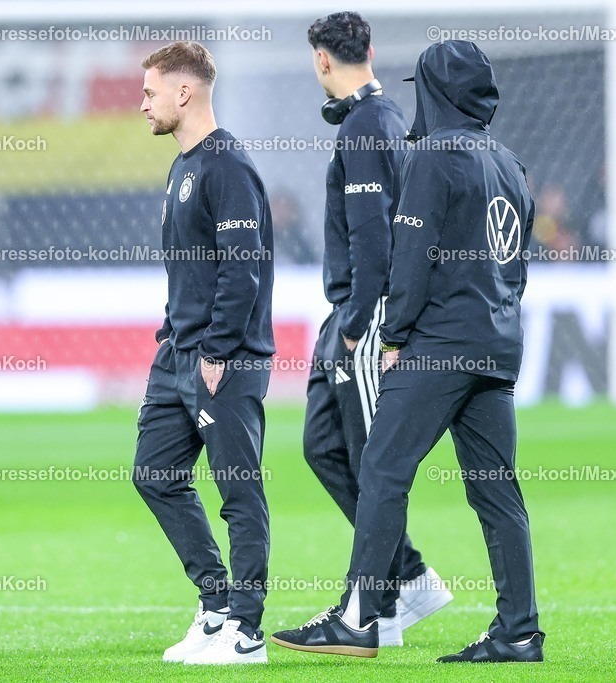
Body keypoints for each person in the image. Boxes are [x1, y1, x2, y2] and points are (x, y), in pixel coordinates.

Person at [271, 40, 545, 664]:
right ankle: (519, 631)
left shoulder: (432, 157)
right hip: (497, 343)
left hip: (438, 345)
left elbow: (412, 258)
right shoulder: (509, 161)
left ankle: (360, 618)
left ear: (435, 92)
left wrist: (393, 336)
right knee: (497, 491)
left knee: (382, 469)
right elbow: (517, 263)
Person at [302, 11, 452, 649]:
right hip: (351, 309)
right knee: (324, 446)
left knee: (371, 461)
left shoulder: (365, 125)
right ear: (370, 49)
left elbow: (373, 236)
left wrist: (359, 322)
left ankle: (372, 608)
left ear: (322, 59)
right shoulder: (385, 120)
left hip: (365, 315)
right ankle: (406, 578)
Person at [132, 41, 275, 666]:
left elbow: (242, 268)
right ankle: (216, 603)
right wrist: (173, 335)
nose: (143, 105)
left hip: (224, 358)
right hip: (178, 355)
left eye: (150, 93)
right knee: (155, 474)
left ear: (184, 92)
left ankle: (247, 631)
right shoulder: (181, 167)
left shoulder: (228, 166)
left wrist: (217, 349)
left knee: (238, 490)